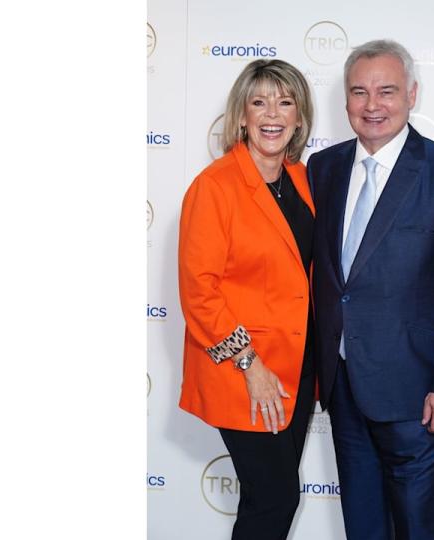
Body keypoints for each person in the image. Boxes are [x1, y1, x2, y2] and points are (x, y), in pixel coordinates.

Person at [308, 40, 434, 540]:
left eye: (386, 91)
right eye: (359, 92)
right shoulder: (322, 170)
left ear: (412, 94)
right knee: (362, 525)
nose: (372, 105)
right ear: (345, 101)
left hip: (417, 394)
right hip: (343, 385)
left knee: (418, 526)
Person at [178, 58, 316, 540]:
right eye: (259, 102)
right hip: (250, 374)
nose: (271, 113)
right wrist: (249, 364)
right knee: (275, 497)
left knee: (270, 498)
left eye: (285, 101)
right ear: (241, 115)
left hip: (298, 369)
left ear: (299, 116)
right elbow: (199, 292)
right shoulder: (214, 187)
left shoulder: (300, 179)